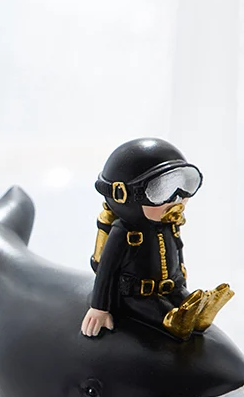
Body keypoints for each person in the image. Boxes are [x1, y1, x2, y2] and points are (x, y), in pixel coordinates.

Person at [81, 138, 233, 340]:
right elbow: (106, 271)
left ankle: (198, 314)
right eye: (160, 190)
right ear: (124, 196)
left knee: (187, 301)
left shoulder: (170, 224)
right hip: (137, 295)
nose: (177, 199)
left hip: (172, 287)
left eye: (185, 183)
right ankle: (175, 321)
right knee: (160, 311)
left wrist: (182, 285)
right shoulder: (123, 232)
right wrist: (99, 308)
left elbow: (177, 254)